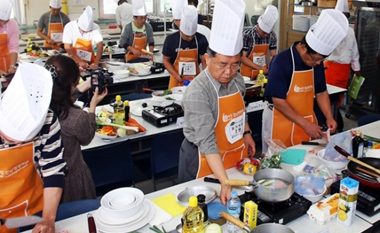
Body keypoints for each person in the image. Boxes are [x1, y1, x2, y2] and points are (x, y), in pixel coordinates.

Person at [179, 0, 256, 206]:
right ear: (206, 59)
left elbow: (241, 111)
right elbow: (207, 142)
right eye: (223, 64)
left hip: (231, 153)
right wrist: (225, 181)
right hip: (201, 158)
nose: (229, 72)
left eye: (235, 65)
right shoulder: (198, 91)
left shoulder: (237, 80)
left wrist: (246, 133)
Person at [262, 9, 349, 152]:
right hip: (279, 120)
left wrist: (329, 117)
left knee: (303, 158)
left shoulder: (316, 63)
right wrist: (305, 124)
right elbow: (278, 101)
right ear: (303, 48)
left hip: (306, 120)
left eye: (322, 59)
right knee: (276, 160)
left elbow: (321, 92)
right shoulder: (282, 61)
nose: (318, 63)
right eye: (316, 59)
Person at [0, 63, 67, 233]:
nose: (20, 146)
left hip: (33, 211)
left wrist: (48, 220)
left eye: (25, 141)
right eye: (10, 140)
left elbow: (53, 170)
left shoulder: (48, 120)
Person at [46, 55, 107, 203]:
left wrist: (81, 87)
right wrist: (93, 105)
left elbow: (60, 97)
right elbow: (87, 137)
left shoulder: (41, 103)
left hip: (45, 183)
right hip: (72, 182)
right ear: (71, 84)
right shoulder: (75, 117)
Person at [324, 0, 360, 132]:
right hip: (330, 68)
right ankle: (332, 120)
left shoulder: (350, 31)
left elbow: (354, 51)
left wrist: (357, 69)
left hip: (344, 69)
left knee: (338, 98)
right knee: (327, 96)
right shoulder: (330, 29)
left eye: (345, 15)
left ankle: (334, 120)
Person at [163, 5, 208, 89]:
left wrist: (206, 77)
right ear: (181, 29)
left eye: (192, 35)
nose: (190, 38)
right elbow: (165, 60)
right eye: (187, 36)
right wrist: (175, 74)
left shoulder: (201, 39)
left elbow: (205, 61)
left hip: (196, 81)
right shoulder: (171, 40)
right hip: (176, 80)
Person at [241, 5, 278, 79]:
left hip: (262, 73)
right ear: (258, 26)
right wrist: (258, 67)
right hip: (246, 74)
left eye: (268, 33)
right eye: (264, 32)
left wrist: (273, 67)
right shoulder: (247, 35)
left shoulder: (272, 36)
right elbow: (242, 57)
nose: (266, 35)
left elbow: (273, 56)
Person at [0, 0, 18, 75]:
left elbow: (13, 47)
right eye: (0, 21)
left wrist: (12, 66)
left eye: (6, 21)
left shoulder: (12, 25)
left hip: (6, 62)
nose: (3, 24)